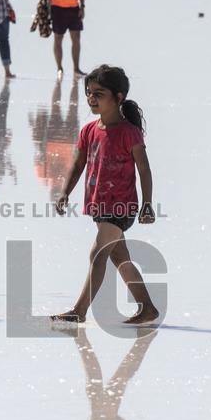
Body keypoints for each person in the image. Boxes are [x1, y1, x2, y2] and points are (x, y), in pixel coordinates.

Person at [52, 65, 159, 324]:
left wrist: (147, 204)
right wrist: (65, 192)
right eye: (89, 93)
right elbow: (78, 164)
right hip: (99, 206)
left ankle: (79, 311)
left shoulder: (129, 132)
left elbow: (144, 169)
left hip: (121, 206)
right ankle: (147, 308)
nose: (92, 98)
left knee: (97, 253)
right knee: (120, 256)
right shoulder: (89, 130)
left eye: (99, 93)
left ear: (118, 97)